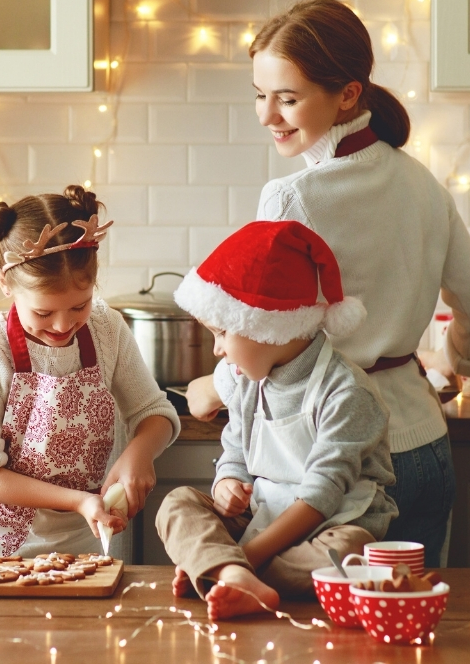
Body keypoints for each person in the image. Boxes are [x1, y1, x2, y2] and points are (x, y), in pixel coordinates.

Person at [185, 0, 470, 568]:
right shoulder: (422, 183)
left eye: (288, 98)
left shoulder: (290, 197)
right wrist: (452, 366)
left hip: (329, 456)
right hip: (425, 445)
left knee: (312, 639)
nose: (267, 115)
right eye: (261, 95)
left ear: (348, 93)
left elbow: (263, 329)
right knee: (409, 631)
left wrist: (216, 386)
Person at [158, 220, 397, 621]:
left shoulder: (347, 393)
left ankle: (223, 570)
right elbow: (235, 447)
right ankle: (232, 574)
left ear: (267, 327)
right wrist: (227, 483)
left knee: (349, 553)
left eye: (221, 334)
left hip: (330, 524)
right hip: (263, 515)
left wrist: (244, 556)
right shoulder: (247, 380)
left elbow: (322, 499)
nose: (217, 350)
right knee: (176, 504)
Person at [0, 185, 180, 557]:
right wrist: (79, 501)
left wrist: (139, 454)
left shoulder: (106, 328)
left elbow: (155, 413)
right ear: (5, 283)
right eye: (43, 313)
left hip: (74, 551)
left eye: (79, 306)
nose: (63, 325)